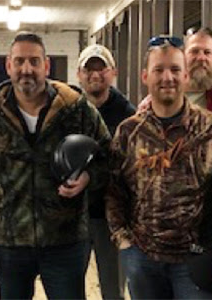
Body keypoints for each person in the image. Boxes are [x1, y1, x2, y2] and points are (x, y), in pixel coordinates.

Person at [0, 32, 111, 300]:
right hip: (9, 242)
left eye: (34, 62)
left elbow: (109, 158)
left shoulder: (77, 109)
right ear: (9, 65)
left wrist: (87, 177)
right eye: (20, 61)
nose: (27, 69)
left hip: (66, 240)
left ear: (46, 66)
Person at [106, 35, 212, 299]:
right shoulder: (129, 132)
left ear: (185, 77)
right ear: (145, 76)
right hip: (143, 258)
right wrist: (123, 240)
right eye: (159, 70)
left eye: (174, 69)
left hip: (196, 257)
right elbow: (115, 190)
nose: (167, 77)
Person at [75, 43, 135, 300]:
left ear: (113, 73)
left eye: (102, 69)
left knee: (112, 291)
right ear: (79, 74)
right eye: (89, 69)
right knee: (69, 288)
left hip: (112, 219)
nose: (95, 75)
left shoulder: (129, 116)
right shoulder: (68, 110)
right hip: (72, 216)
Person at [138, 27, 212, 113]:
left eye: (207, 52)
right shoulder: (154, 104)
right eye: (195, 51)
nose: (201, 58)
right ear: (182, 57)